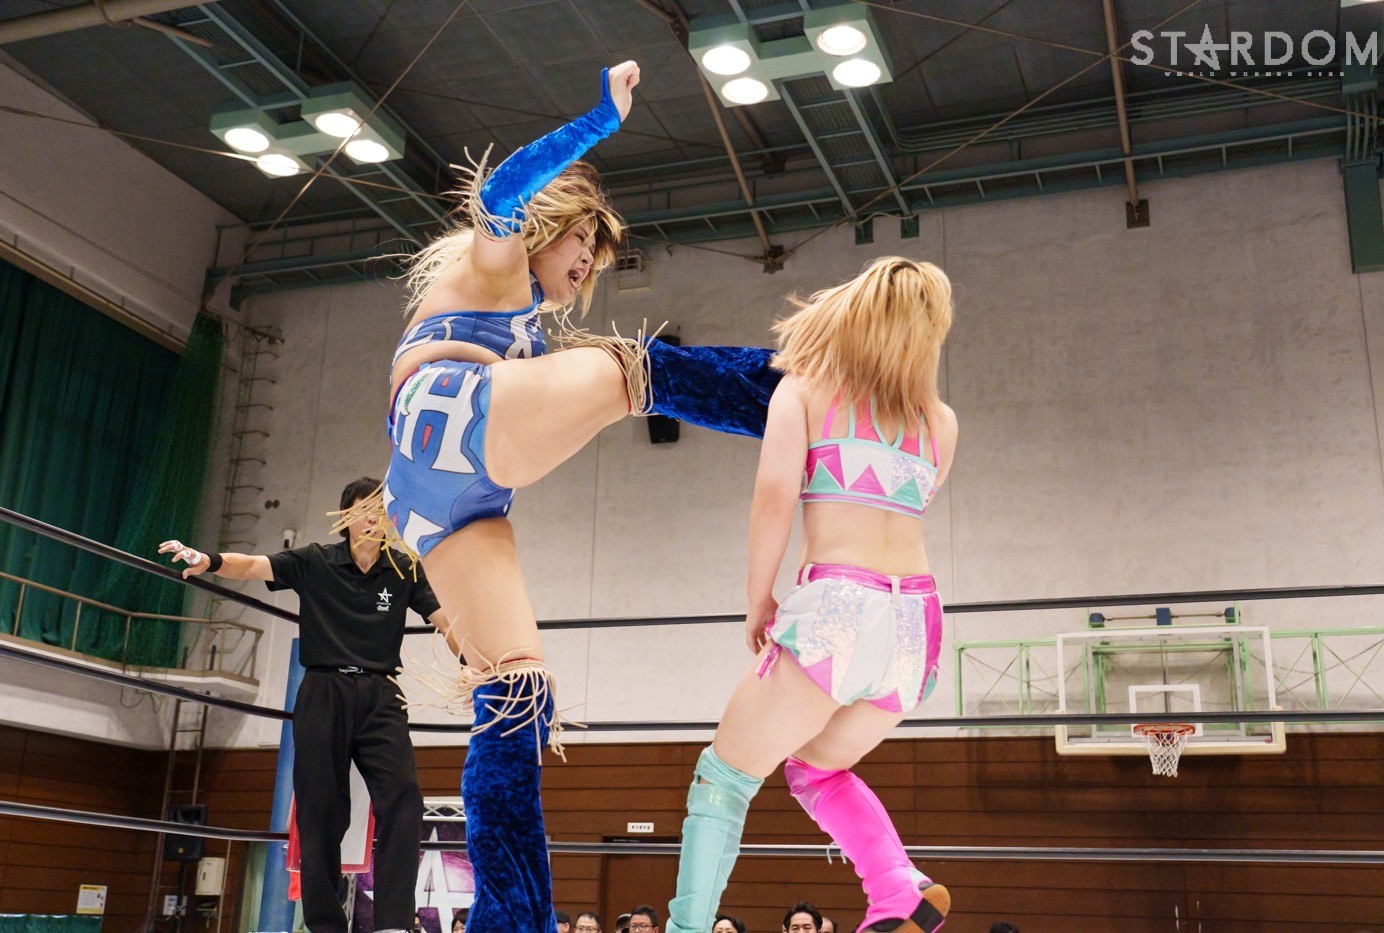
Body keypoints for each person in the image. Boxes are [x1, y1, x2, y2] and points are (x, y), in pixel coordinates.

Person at [343, 58, 782, 933]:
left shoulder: (518, 313)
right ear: (548, 221)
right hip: (454, 423)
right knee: (628, 369)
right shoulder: (496, 263)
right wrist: (597, 122)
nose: (587, 263)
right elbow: (499, 188)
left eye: (595, 253)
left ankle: (510, 917)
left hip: (440, 496)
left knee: (517, 691)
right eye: (582, 241)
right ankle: (792, 395)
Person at [665, 258, 959, 933]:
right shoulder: (941, 422)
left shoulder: (804, 390)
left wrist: (759, 599)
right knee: (816, 768)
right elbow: (898, 511)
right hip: (916, 626)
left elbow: (775, 499)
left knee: (723, 778)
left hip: (840, 610)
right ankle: (896, 887)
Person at [159, 476, 447, 933]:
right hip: (322, 691)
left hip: (380, 695)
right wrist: (206, 559)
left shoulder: (404, 569)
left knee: (405, 799)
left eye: (380, 508)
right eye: (364, 508)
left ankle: (393, 923)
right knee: (320, 811)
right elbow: (254, 566)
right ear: (345, 517)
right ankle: (326, 925)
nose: (373, 517)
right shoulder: (316, 560)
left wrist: (485, 662)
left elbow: (445, 618)